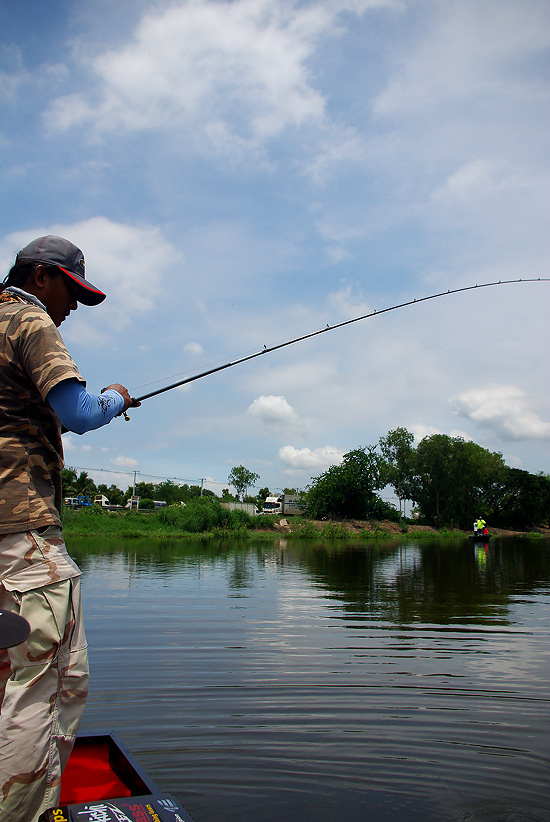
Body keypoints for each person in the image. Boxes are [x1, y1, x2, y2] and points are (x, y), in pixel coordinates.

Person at [0, 236, 138, 821]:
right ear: (38, 276)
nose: (74, 306)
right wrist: (115, 397)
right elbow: (78, 413)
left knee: (12, 683)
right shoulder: (27, 319)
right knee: (48, 688)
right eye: (71, 289)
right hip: (25, 534)